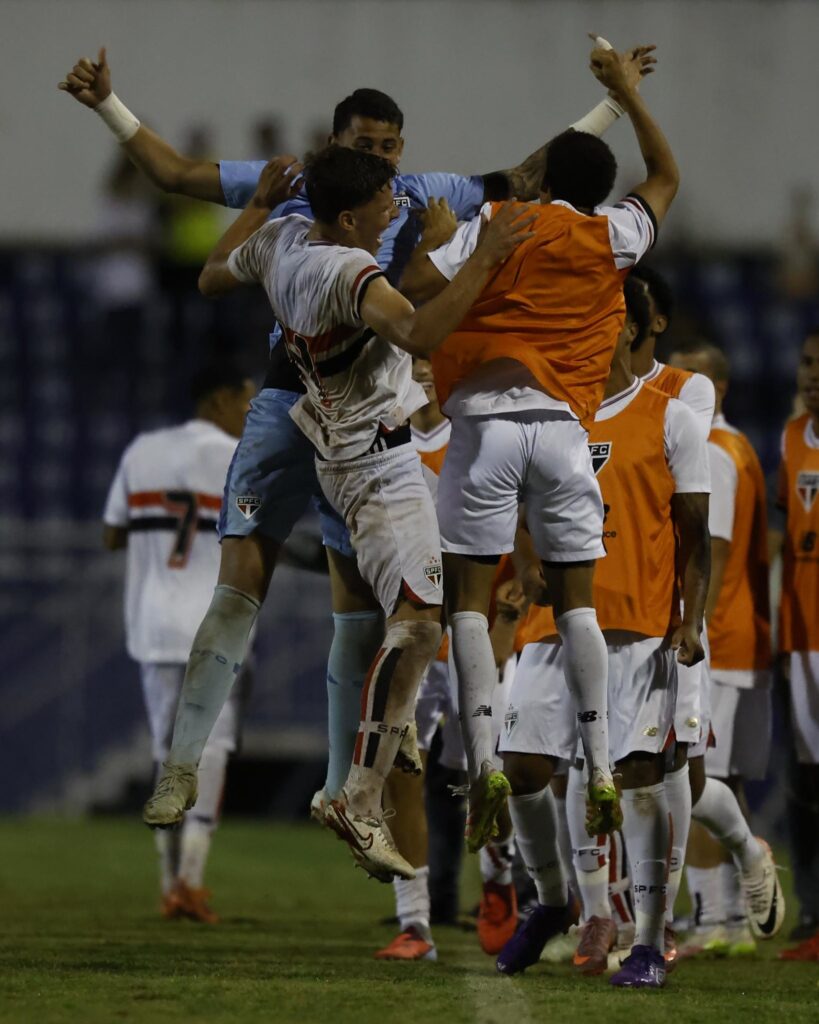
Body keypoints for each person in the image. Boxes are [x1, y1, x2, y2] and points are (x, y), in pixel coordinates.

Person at [59, 46, 654, 826]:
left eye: (386, 146)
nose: (376, 159)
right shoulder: (299, 193)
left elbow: (527, 178)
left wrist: (610, 104)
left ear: (399, 150)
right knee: (242, 581)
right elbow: (173, 175)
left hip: (376, 412)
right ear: (333, 143)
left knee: (361, 615)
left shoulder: (417, 193)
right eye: (362, 145)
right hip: (290, 395)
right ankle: (180, 768)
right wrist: (110, 104)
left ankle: (349, 790)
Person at [182, 145, 533, 882]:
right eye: (383, 202)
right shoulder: (345, 270)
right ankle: (360, 794)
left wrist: (254, 207)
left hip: (346, 449)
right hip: (374, 463)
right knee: (416, 623)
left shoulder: (282, 238)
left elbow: (213, 275)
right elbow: (418, 334)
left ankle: (387, 738)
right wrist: (477, 255)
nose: (397, 208)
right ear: (348, 218)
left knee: (410, 616)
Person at [400, 44, 679, 851]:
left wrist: (448, 238)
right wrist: (625, 94)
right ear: (598, 188)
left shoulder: (498, 222)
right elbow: (663, 176)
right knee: (577, 603)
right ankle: (596, 766)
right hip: (563, 434)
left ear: (539, 178)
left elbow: (418, 287)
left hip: (483, 429)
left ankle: (484, 758)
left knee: (467, 603)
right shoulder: (615, 236)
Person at [495, 276, 709, 989]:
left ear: (626, 328)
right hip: (550, 627)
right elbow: (521, 513)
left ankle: (648, 940)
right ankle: (553, 901)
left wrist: (691, 617)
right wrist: (525, 569)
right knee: (522, 769)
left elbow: (695, 533)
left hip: (639, 629)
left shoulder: (668, 414)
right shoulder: (547, 414)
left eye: (598, 318)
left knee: (642, 781)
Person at [102, 363, 255, 923]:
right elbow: (258, 538)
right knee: (209, 749)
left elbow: (111, 533)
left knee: (164, 754)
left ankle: (169, 882)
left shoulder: (142, 450)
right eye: (246, 401)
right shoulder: (239, 458)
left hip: (152, 624)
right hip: (215, 625)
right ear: (218, 400)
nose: (251, 412)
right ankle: (191, 877)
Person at [668, 341, 772, 957]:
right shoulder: (730, 448)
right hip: (732, 643)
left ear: (720, 389)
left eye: (695, 379)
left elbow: (718, 551)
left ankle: (714, 917)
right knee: (713, 778)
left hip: (720, 645)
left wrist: (691, 632)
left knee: (696, 778)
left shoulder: (715, 452)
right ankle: (729, 917)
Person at [775, 330, 819, 961]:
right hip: (800, 634)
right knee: (807, 782)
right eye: (808, 363)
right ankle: (812, 914)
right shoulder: (790, 438)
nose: (813, 374)